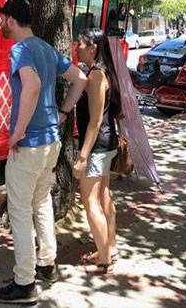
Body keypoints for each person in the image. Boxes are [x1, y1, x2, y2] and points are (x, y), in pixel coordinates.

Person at [0, 0, 87, 304]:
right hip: (51, 141)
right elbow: (79, 79)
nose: (0, 24)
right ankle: (47, 264)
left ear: (10, 20)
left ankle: (24, 283)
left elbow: (30, 87)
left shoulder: (20, 50)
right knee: (41, 201)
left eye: (2, 18)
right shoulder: (44, 48)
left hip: (29, 144)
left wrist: (16, 132)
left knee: (19, 210)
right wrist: (62, 112)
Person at [74, 28, 122, 275]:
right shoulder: (107, 72)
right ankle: (109, 247)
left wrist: (83, 155)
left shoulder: (95, 76)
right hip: (108, 143)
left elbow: (94, 121)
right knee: (104, 196)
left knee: (90, 200)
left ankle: (104, 258)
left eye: (80, 44)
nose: (76, 47)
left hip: (97, 146)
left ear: (93, 48)